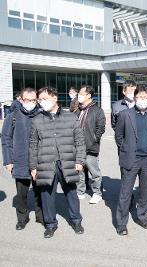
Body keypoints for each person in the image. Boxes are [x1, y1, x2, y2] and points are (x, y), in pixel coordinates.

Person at [29, 86, 86, 238]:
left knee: (71, 193)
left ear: (55, 97)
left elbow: (80, 141)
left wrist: (80, 161)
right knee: (46, 195)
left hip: (66, 161)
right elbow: (33, 145)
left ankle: (76, 220)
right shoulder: (37, 120)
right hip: (46, 162)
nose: (42, 102)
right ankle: (50, 224)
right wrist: (33, 167)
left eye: (45, 99)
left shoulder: (71, 117)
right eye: (40, 100)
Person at [114, 85, 147, 235]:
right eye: (139, 97)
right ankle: (121, 223)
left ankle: (142, 216)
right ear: (134, 97)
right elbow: (118, 137)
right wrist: (126, 150)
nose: (142, 100)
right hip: (131, 159)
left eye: (145, 97)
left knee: (145, 191)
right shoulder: (125, 114)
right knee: (126, 192)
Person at [1, 87, 43, 230]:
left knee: (40, 192)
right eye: (27, 100)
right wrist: (8, 160)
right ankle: (22, 218)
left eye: (33, 100)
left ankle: (40, 216)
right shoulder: (12, 116)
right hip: (20, 162)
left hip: (39, 162)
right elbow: (6, 139)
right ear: (21, 99)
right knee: (21, 194)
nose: (30, 103)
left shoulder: (42, 115)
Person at [75, 85, 106, 204]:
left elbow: (100, 128)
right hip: (77, 147)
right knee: (80, 171)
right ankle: (80, 191)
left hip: (90, 146)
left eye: (81, 93)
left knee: (94, 172)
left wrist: (93, 139)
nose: (79, 95)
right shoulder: (78, 109)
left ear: (88, 95)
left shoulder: (97, 110)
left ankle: (97, 193)